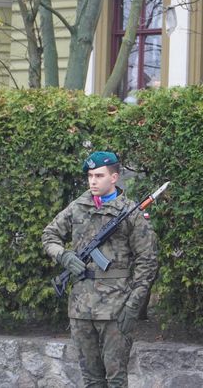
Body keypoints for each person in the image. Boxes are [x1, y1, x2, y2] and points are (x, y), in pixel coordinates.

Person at [43, 151, 158, 387]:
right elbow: (49, 236)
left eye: (99, 176)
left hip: (116, 308)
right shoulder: (77, 207)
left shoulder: (130, 213)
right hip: (81, 309)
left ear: (114, 177)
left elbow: (147, 261)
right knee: (92, 380)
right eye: (89, 176)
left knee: (116, 380)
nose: (92, 181)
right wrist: (63, 256)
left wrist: (133, 305)